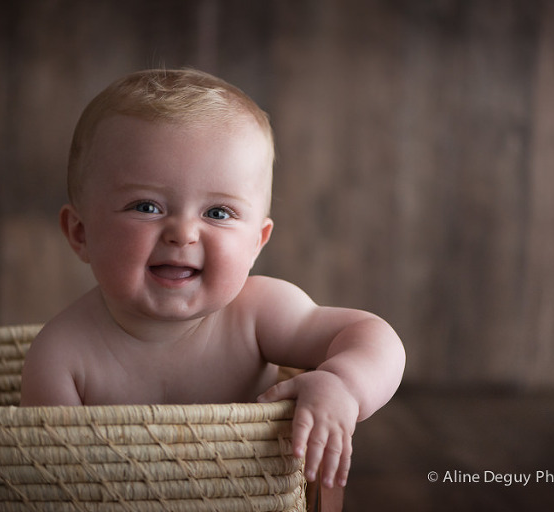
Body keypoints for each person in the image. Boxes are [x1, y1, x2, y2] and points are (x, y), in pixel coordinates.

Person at [20, 68, 406, 490]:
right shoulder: (62, 354)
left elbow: (372, 335)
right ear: (81, 234)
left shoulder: (258, 313)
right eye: (146, 206)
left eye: (218, 213)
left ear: (257, 242)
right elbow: (49, 485)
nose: (182, 233)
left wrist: (344, 386)